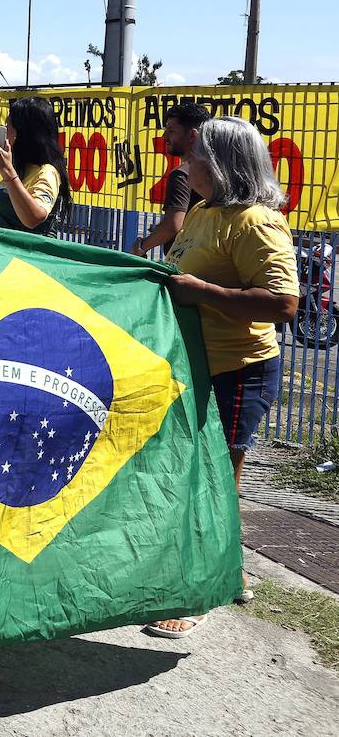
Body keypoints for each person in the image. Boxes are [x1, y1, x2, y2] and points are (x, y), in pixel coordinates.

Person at [145, 116, 299, 639]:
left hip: (240, 372)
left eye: (197, 157)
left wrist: (200, 292)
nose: (186, 164)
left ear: (223, 164)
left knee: (216, 479)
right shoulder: (206, 212)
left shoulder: (256, 221)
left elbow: (283, 303)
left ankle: (203, 591)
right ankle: (228, 570)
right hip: (198, 365)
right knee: (198, 474)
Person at [0, 96, 72, 235]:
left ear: (23, 133)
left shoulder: (47, 172)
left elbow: (33, 218)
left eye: (8, 127)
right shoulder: (19, 170)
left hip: (26, 256)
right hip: (3, 254)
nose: (5, 134)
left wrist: (7, 172)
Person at [131, 102, 208, 256]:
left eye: (171, 131)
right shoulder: (219, 169)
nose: (164, 136)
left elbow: (173, 225)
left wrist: (141, 247)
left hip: (184, 261)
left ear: (192, 135)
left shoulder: (181, 174)